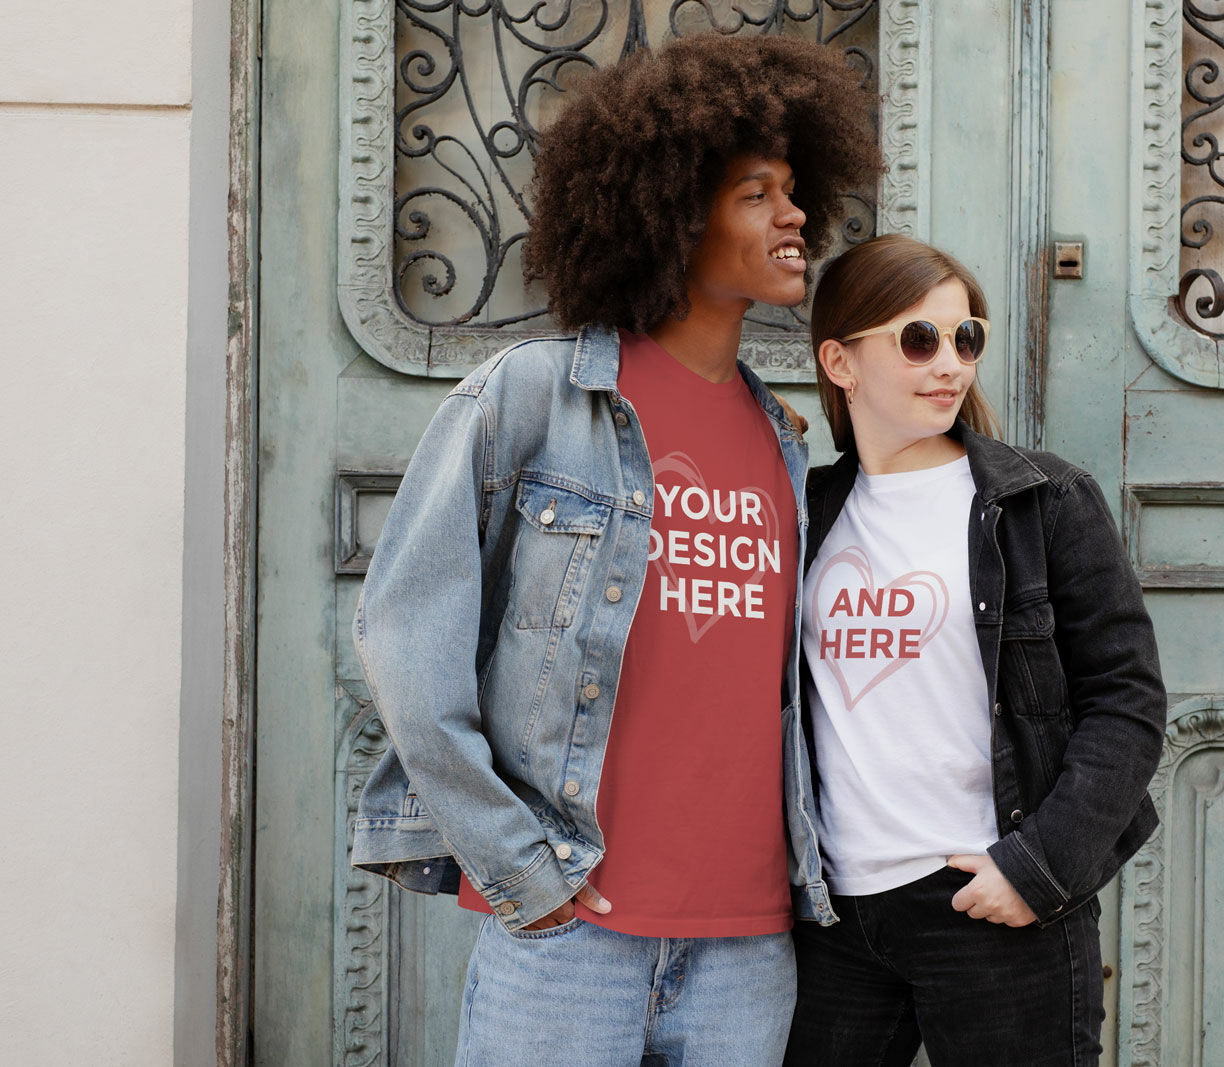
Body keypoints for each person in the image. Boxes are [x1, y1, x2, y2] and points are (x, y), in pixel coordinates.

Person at [348, 34, 877, 1066]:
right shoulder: (534, 399)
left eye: (793, 189)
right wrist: (516, 868)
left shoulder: (782, 435)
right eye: (755, 194)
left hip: (747, 942)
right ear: (673, 217)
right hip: (569, 932)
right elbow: (407, 639)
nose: (794, 216)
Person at [785, 234, 1169, 1066]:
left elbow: (1128, 703)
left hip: (990, 903)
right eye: (918, 339)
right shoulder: (804, 512)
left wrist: (1037, 869)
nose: (950, 363)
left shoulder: (1044, 500)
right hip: (835, 917)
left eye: (967, 338)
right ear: (840, 362)